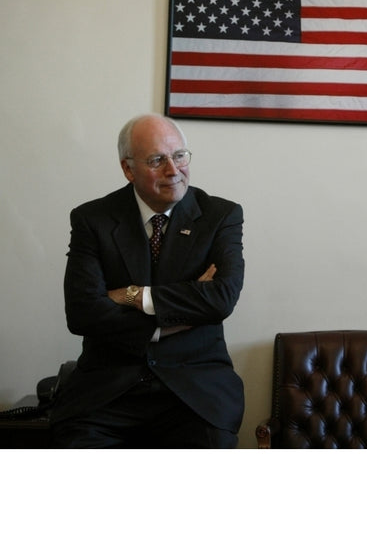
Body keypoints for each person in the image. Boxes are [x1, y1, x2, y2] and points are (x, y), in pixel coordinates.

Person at [50, 113, 245, 448]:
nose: (173, 170)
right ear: (128, 169)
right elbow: (82, 312)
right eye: (157, 160)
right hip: (108, 393)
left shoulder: (220, 216)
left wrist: (133, 295)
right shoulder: (92, 219)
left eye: (180, 155)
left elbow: (221, 299)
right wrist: (179, 316)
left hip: (193, 394)